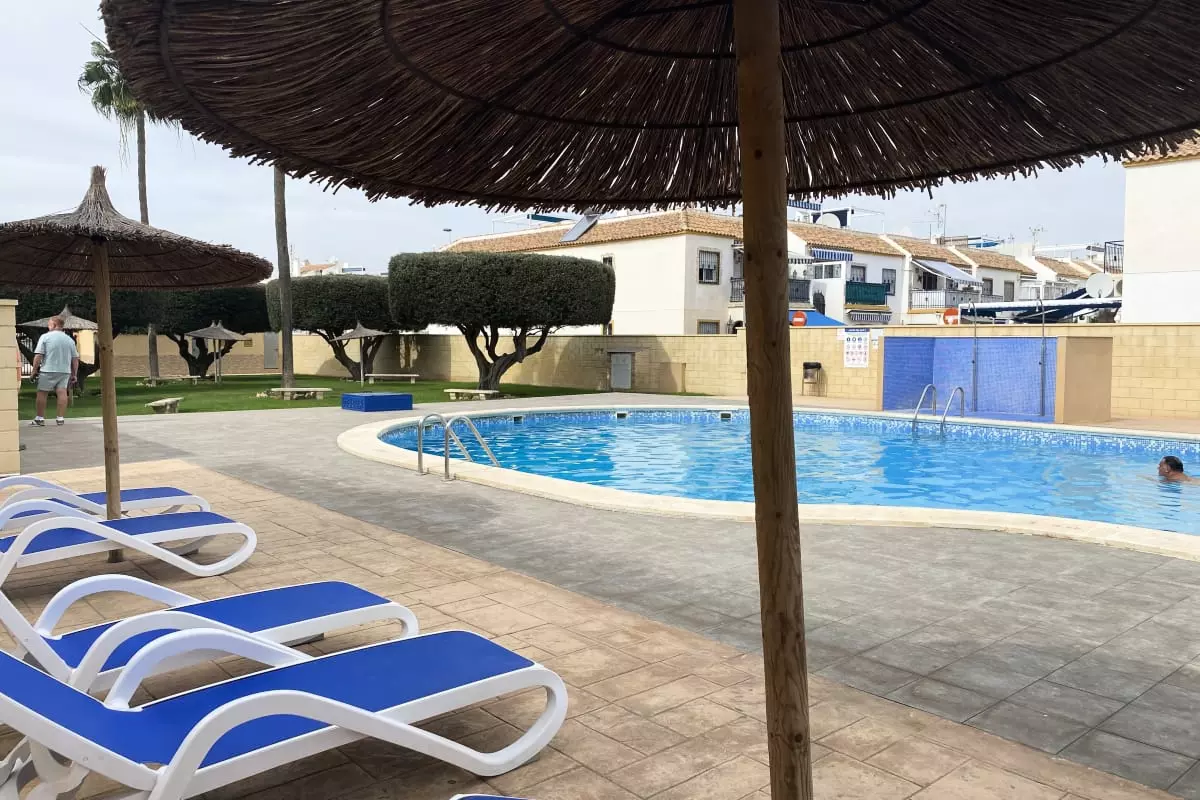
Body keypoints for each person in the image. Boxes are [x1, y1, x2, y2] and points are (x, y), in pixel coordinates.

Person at [30, 316, 79, 427]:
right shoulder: (69, 340)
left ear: (54, 325)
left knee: (42, 393)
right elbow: (75, 358)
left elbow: (38, 355)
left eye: (49, 324)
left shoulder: (45, 337)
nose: (48, 326)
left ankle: (40, 418)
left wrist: (34, 370)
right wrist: (74, 374)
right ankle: (60, 418)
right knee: (62, 392)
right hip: (64, 371)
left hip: (48, 370)